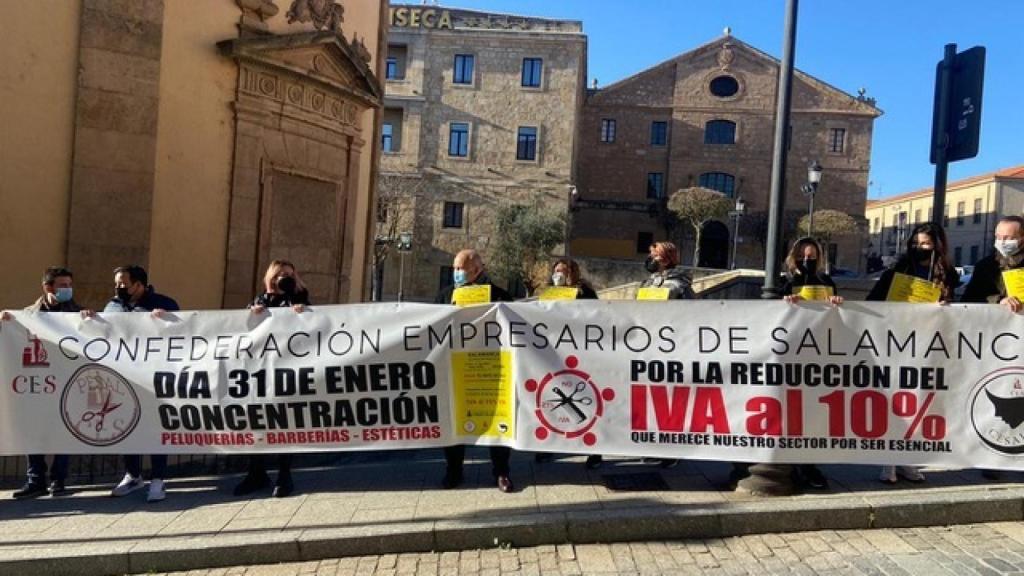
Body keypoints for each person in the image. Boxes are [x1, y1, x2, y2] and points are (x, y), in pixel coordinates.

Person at [867, 223, 957, 484]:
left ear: (937, 245)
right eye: (915, 243)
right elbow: (873, 302)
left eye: (925, 244)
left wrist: (944, 306)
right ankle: (888, 461)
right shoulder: (897, 270)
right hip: (895, 343)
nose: (919, 248)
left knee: (918, 403)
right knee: (895, 401)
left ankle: (908, 460)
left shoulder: (946, 273)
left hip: (928, 344)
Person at [3, 267, 92, 499]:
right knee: (33, 432)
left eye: (69, 284)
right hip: (35, 385)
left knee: (64, 432)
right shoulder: (27, 315)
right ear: (48, 287)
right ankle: (36, 481)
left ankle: (58, 480)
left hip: (66, 385)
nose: (67, 289)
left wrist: (93, 321)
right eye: (62, 285)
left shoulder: (78, 314)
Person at [435, 249, 515, 493]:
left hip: (491, 368)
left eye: (461, 268)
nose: (456, 273)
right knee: (454, 418)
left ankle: (501, 472)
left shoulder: (500, 296)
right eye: (455, 268)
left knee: (499, 419)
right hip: (457, 368)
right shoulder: (446, 296)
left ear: (477, 269)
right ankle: (454, 470)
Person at [233, 260, 309, 498]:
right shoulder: (260, 299)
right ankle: (256, 473)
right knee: (257, 421)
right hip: (259, 370)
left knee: (284, 422)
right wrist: (251, 313)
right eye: (280, 275)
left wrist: (300, 311)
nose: (284, 278)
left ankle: (284, 475)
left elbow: (310, 328)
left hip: (286, 368)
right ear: (271, 277)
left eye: (289, 275)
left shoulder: (300, 297)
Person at [104, 265, 179, 502]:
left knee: (156, 427)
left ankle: (158, 480)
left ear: (139, 284)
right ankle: (133, 475)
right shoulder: (113, 306)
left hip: (154, 377)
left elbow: (185, 333)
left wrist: (167, 322)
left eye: (123, 283)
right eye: (116, 283)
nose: (119, 287)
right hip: (123, 377)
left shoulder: (165, 304)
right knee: (126, 425)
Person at [961, 215, 1024, 481]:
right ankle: (994, 458)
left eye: (1008, 237)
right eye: (998, 237)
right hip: (998, 345)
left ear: (1022, 238)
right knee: (998, 399)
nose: (1002, 242)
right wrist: (999, 300)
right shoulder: (986, 265)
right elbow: (970, 298)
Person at [780, 237, 840, 489]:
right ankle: (792, 463)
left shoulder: (827, 283)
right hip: (793, 352)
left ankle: (809, 465)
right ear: (794, 256)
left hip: (820, 354)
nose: (808, 259)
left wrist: (837, 303)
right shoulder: (787, 283)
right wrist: (785, 303)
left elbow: (838, 317)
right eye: (803, 255)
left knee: (814, 413)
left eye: (812, 255)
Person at [531, 259, 599, 467]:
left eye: (563, 271)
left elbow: (596, 317)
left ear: (572, 273)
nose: (558, 274)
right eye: (556, 270)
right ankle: (548, 447)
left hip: (581, 354)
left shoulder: (585, 292)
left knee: (588, 402)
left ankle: (595, 451)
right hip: (554, 355)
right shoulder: (549, 292)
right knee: (551, 402)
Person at [635, 242, 692, 469]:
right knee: (652, 398)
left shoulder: (681, 284)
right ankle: (653, 445)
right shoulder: (647, 282)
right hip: (649, 347)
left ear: (668, 258)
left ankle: (672, 449)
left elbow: (691, 314)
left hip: (672, 348)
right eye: (650, 254)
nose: (651, 258)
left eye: (655, 255)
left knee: (670, 400)